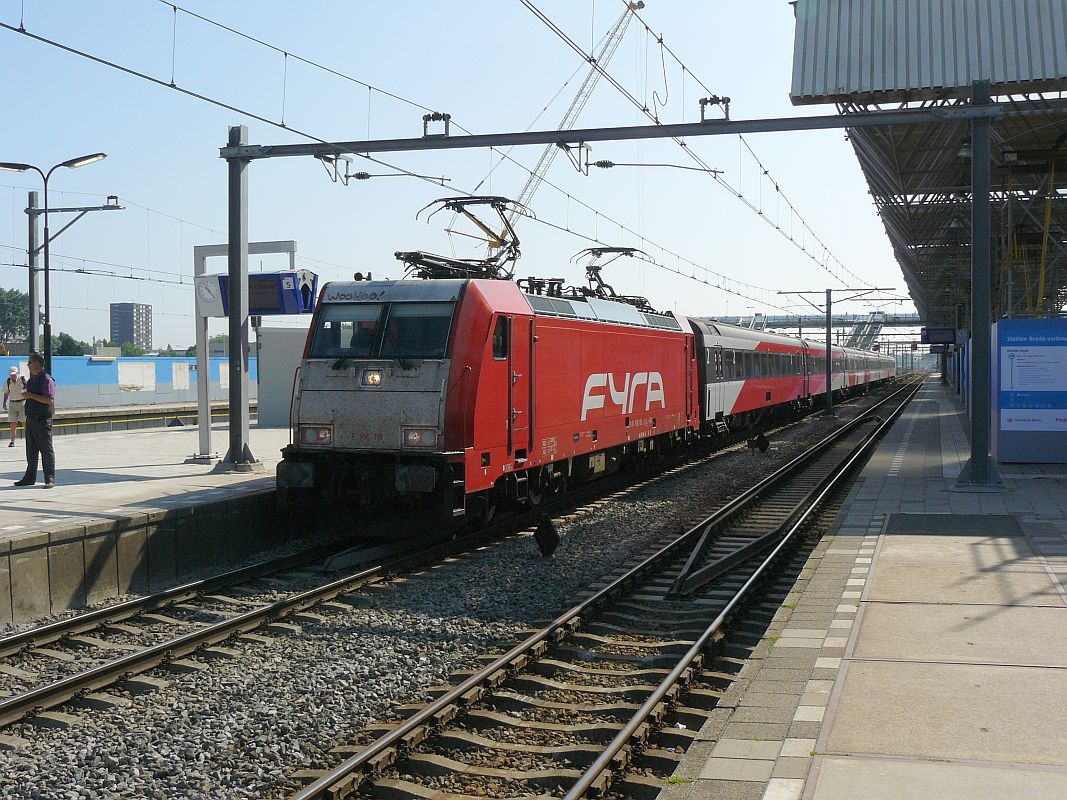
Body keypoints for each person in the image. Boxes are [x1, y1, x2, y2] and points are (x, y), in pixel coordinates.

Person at [13, 352, 55, 488]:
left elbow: (49, 399)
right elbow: (32, 396)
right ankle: (29, 478)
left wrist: (30, 395)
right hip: (31, 419)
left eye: (30, 362)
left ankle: (49, 478)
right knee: (31, 451)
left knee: (46, 450)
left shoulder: (47, 379)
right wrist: (27, 395)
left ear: (37, 363)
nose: (28, 364)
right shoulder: (32, 380)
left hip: (42, 420)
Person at [3, 366, 26, 447]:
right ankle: (12, 441)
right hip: (12, 403)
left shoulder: (23, 379)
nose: (13, 376)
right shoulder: (8, 381)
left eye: (14, 374)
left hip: (22, 402)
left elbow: (28, 390)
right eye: (11, 375)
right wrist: (4, 403)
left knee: (24, 422)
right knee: (12, 423)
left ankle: (29, 440)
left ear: (17, 373)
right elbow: (6, 392)